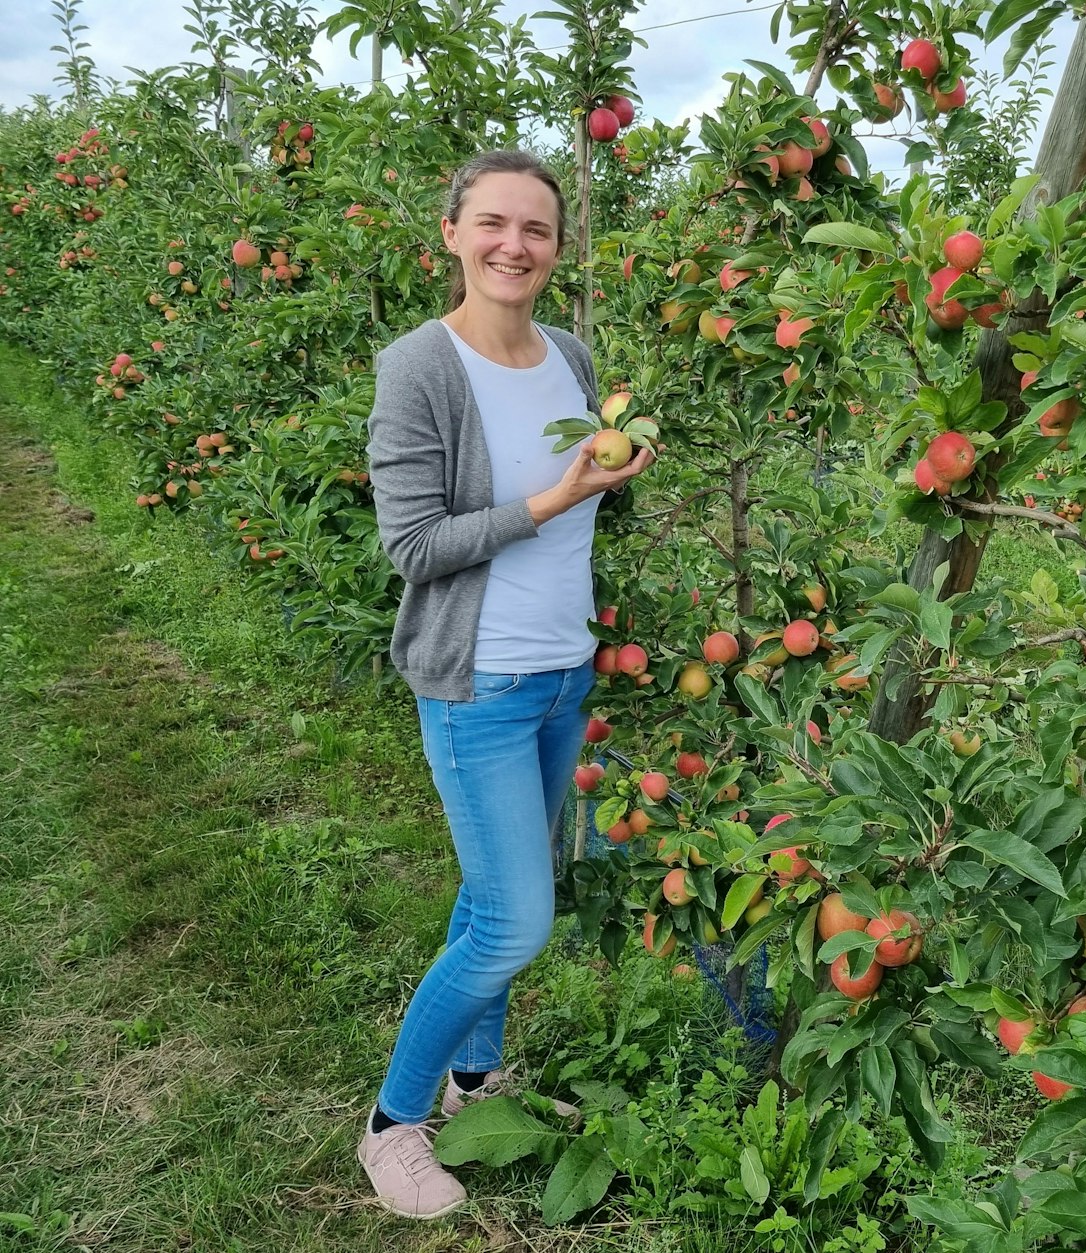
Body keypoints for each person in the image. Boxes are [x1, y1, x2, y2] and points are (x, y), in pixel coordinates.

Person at [359, 149, 654, 1220]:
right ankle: (393, 1122)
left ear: (558, 248)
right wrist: (551, 499)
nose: (513, 245)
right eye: (492, 223)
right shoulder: (419, 368)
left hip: (563, 673)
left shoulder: (571, 356)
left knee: (493, 892)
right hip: (476, 682)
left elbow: (582, 499)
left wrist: (611, 478)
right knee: (515, 923)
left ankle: (476, 1080)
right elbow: (413, 545)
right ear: (452, 232)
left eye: (536, 229)